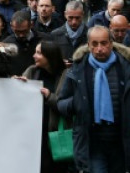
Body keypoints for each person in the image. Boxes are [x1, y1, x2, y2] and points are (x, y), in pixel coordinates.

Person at [57, 26, 130, 172]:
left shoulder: (124, 67)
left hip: (121, 143)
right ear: (88, 45)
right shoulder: (77, 69)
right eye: (95, 44)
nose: (99, 48)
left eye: (104, 43)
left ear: (111, 42)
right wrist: (76, 103)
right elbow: (61, 103)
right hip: (92, 143)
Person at [19, 41, 69, 173]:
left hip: (55, 133)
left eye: (39, 53)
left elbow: (67, 105)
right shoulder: (32, 71)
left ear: (50, 56)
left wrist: (49, 96)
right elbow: (19, 100)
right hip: (34, 133)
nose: (34, 56)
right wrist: (19, 85)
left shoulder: (66, 74)